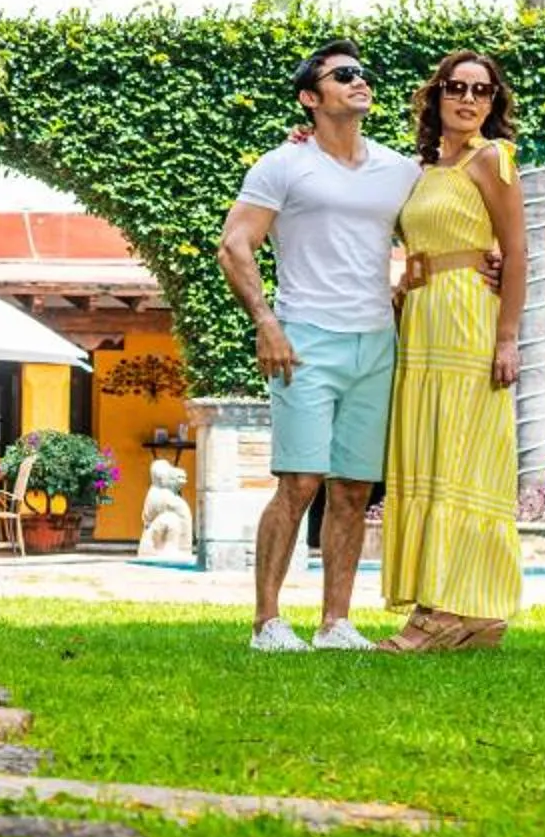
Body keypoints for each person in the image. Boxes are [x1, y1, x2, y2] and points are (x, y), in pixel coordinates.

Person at [219, 43, 417, 652]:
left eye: (362, 75)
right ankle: (267, 623)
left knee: (354, 488)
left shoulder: (399, 170)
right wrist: (266, 322)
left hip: (376, 342)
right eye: (343, 76)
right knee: (300, 481)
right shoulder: (282, 164)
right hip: (304, 339)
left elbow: (435, 227)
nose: (360, 82)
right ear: (310, 97)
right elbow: (235, 244)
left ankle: (336, 623)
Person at [379, 51, 525, 650]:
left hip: (468, 319)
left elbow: (515, 251)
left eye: (483, 91)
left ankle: (447, 609)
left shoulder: (493, 158)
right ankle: (462, 614)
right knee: (429, 452)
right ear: (435, 95)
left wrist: (509, 336)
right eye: (457, 88)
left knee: (461, 457)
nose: (469, 100)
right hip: (421, 321)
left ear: (494, 103)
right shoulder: (420, 168)